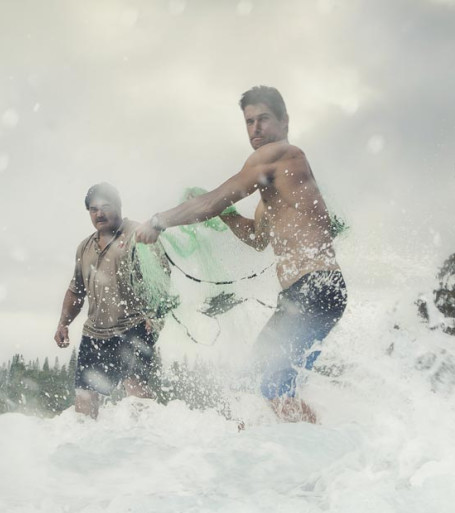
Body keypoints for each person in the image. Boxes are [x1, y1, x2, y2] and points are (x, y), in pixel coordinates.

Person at [134, 86, 347, 423]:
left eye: (263, 119)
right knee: (256, 383)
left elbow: (213, 200)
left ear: (284, 120)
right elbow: (258, 238)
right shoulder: (271, 193)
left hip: (315, 286)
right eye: (249, 122)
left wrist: (160, 221)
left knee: (272, 387)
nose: (255, 129)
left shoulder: (280, 154)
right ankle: (296, 450)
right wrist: (226, 215)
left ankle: (321, 452)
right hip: (307, 292)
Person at [54, 182, 170, 419]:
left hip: (134, 326)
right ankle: (86, 450)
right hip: (95, 333)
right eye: (94, 209)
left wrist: (156, 317)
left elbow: (163, 279)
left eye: (106, 206)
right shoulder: (85, 248)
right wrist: (63, 323)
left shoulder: (139, 235)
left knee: (137, 393)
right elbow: (76, 291)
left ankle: (150, 445)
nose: (100, 213)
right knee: (84, 400)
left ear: (118, 206)